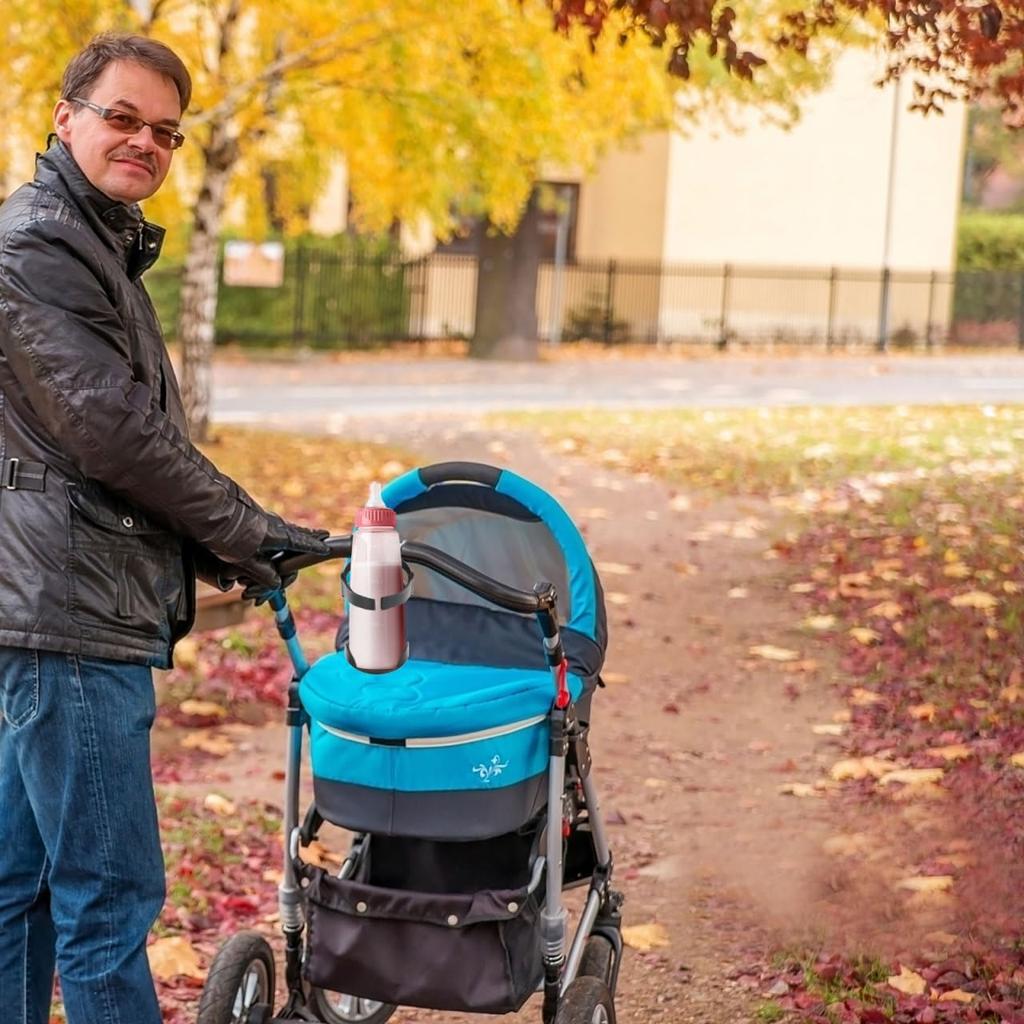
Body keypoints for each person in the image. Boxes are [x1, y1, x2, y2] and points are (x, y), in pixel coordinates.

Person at [0, 33, 329, 1024]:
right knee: (106, 894)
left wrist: (229, 539)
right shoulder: (39, 246)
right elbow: (107, 427)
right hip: (68, 614)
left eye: (165, 131)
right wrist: (244, 528)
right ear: (66, 118)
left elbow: (93, 442)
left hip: (49, 605)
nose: (145, 142)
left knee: (22, 889)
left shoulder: (88, 241)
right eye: (122, 117)